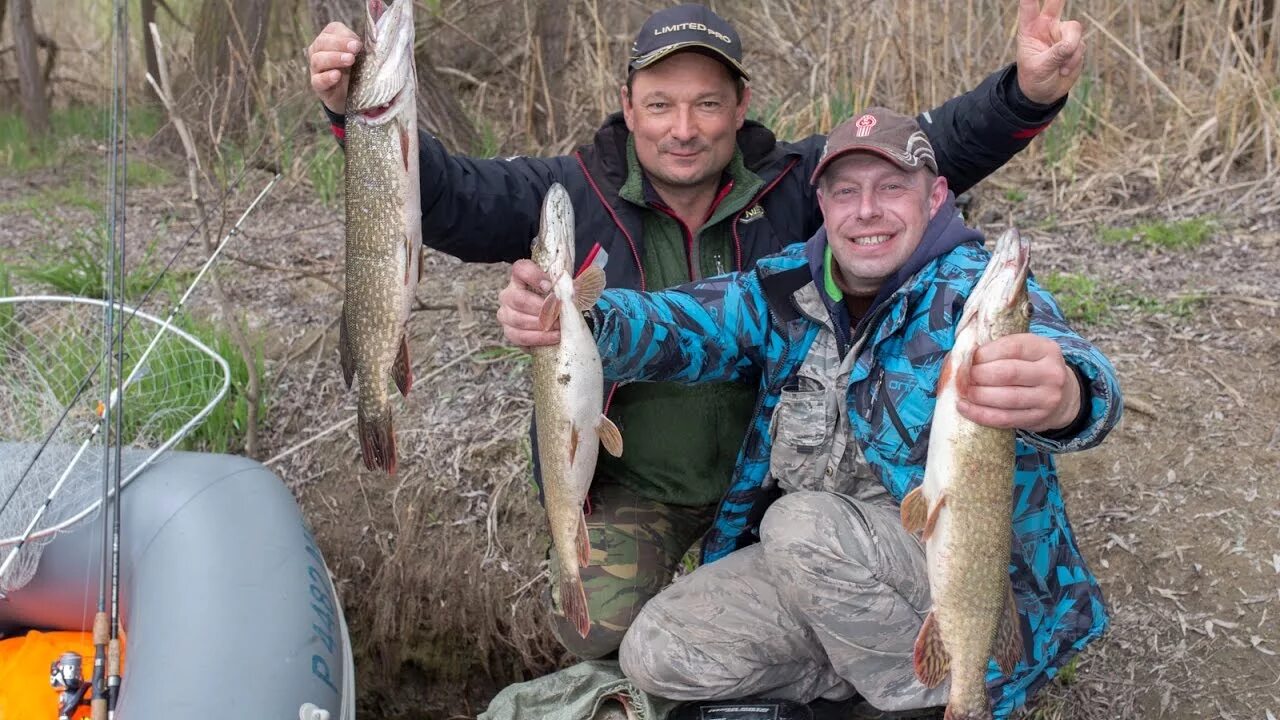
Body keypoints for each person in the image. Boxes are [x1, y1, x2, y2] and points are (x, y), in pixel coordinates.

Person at [308, 2, 1087, 660]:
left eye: (707, 104)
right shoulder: (567, 193)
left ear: (740, 107)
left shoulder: (801, 187)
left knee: (801, 582)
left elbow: (930, 149)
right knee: (589, 632)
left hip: (770, 483)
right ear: (628, 104)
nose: (684, 128)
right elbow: (442, 197)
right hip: (638, 480)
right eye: (660, 104)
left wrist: (1025, 92)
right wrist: (354, 114)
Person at [519, 108, 1122, 719]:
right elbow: (679, 322)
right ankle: (859, 678)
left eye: (891, 187)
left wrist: (1068, 396)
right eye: (846, 191)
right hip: (822, 568)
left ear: (935, 196)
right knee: (656, 649)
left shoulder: (971, 292)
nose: (867, 210)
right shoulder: (784, 290)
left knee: (798, 523)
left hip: (949, 580)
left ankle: (948, 691)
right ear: (823, 203)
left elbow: (1072, 366)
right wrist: (577, 321)